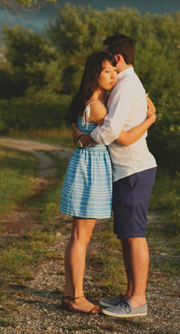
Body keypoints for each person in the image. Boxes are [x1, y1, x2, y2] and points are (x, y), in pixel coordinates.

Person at [60, 50, 156, 314]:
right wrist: (151, 119)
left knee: (80, 235)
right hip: (89, 172)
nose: (114, 76)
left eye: (115, 71)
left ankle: (71, 294)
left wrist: (80, 138)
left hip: (91, 169)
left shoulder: (101, 99)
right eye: (107, 72)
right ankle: (76, 297)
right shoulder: (98, 106)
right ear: (95, 74)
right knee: (81, 236)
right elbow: (122, 138)